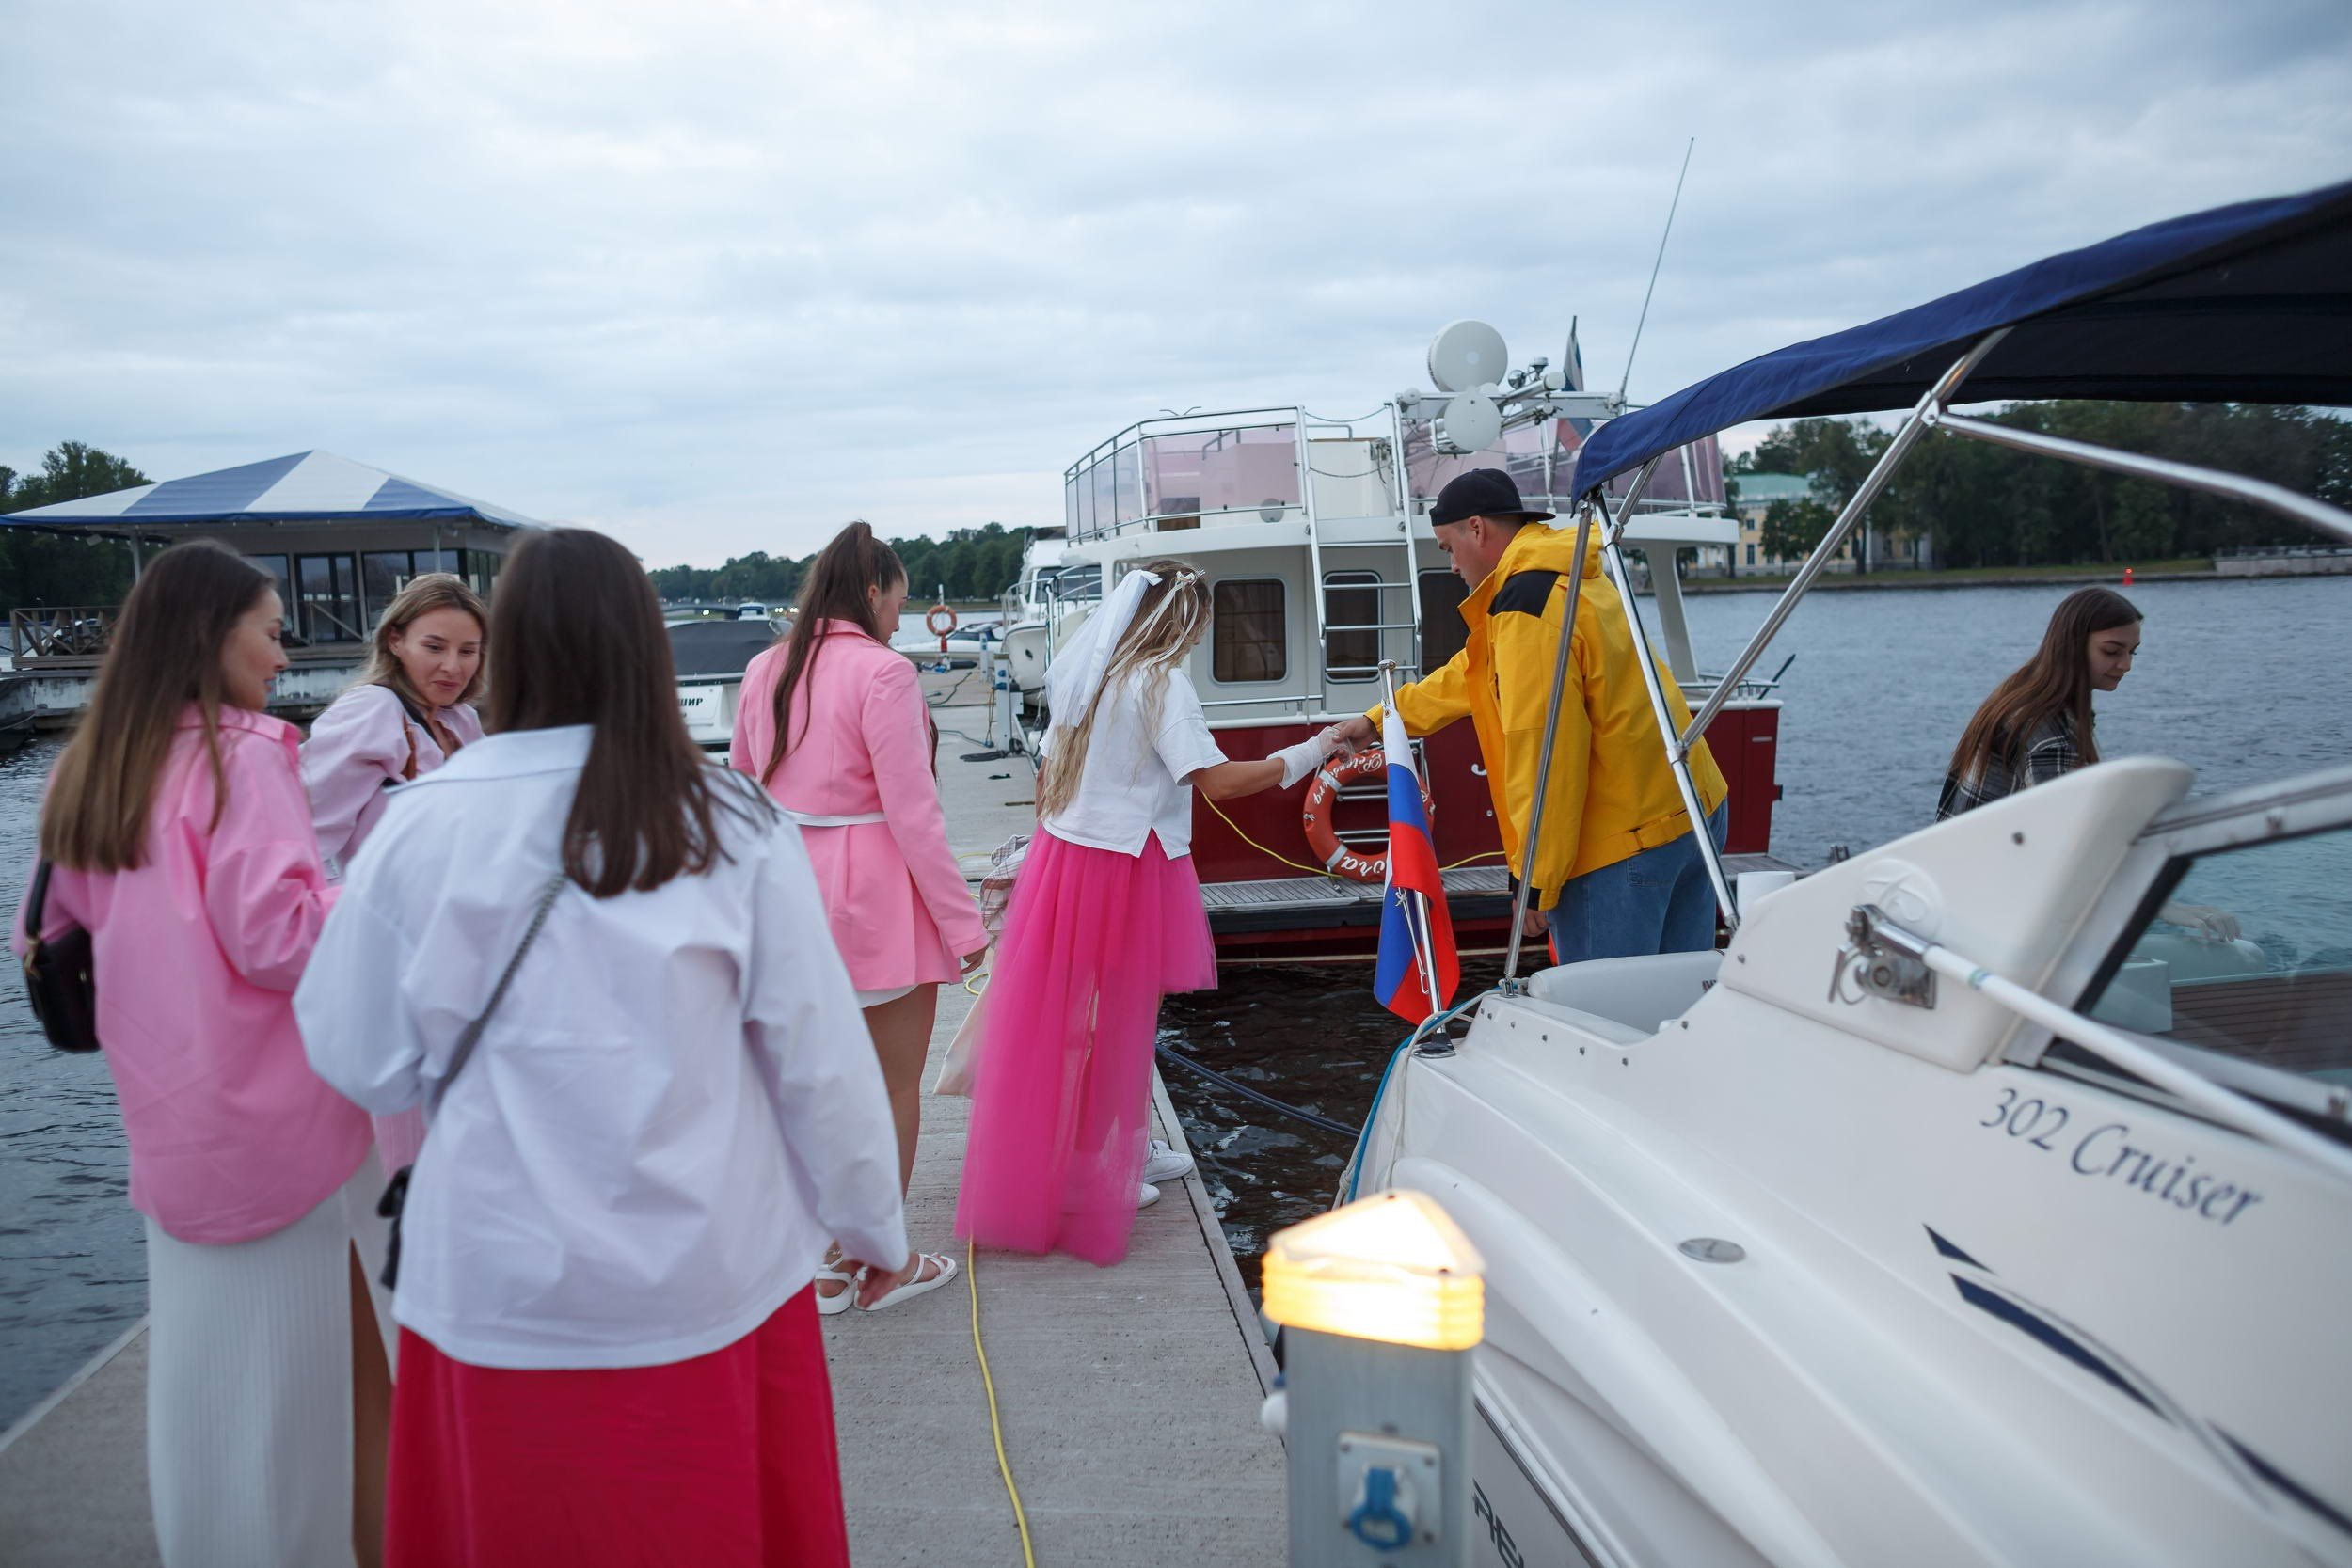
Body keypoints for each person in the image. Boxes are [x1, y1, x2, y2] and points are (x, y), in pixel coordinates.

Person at [294, 528, 912, 1568]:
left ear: (511, 649)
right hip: (707, 1272)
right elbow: (819, 1060)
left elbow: (359, 1055)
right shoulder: (724, 818)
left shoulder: (419, 825)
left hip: (495, 1278)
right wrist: (870, 1222)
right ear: (645, 650)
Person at [11, 539, 393, 1568]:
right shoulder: (245, 753)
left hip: (170, 1122)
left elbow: (45, 932)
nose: (284, 654)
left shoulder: (92, 764)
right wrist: (386, 894)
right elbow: (278, 936)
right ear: (214, 632)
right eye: (271, 631)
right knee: (294, 1405)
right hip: (278, 1125)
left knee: (205, 1392)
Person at [955, 561, 1342, 1265]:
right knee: (1126, 1015)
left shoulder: (1090, 674)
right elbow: (1218, 783)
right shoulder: (1161, 681)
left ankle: (1114, 1145)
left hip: (1070, 858)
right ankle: (1096, 1169)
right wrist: (1312, 749)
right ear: (1181, 621)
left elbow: (1047, 776)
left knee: (1075, 1015)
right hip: (1126, 866)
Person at [730, 520, 988, 1315]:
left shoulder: (764, 665)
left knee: (814, 1086)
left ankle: (831, 1261)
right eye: (898, 605)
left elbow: (740, 792)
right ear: (873, 592)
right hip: (874, 900)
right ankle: (882, 1259)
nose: (898, 622)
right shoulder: (884, 674)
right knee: (890, 1086)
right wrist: (965, 925)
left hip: (785, 899)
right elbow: (916, 815)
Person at [1332, 467, 1730, 967]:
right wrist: (1382, 718)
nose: (1451, 565)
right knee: (1680, 1001)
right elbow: (1474, 673)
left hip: (1624, 844)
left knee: (1607, 1015)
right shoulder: (1568, 573)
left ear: (1476, 529)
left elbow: (1546, 755)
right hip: (1694, 810)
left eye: (1446, 547)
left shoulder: (1525, 607)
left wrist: (1535, 883)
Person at [302, 572, 488, 1174]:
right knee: (411, 1160)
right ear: (396, 641)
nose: (452, 666)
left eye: (467, 650)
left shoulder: (460, 723)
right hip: (397, 971)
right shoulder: (372, 712)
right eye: (435, 647)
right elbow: (300, 836)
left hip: (460, 967)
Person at [1938, 586, 2141, 818]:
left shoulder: (2020, 694)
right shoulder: (2048, 727)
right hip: (1990, 853)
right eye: (2111, 651)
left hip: (1960, 851)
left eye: (2132, 652)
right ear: (2073, 645)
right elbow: (2058, 826)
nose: (2126, 665)